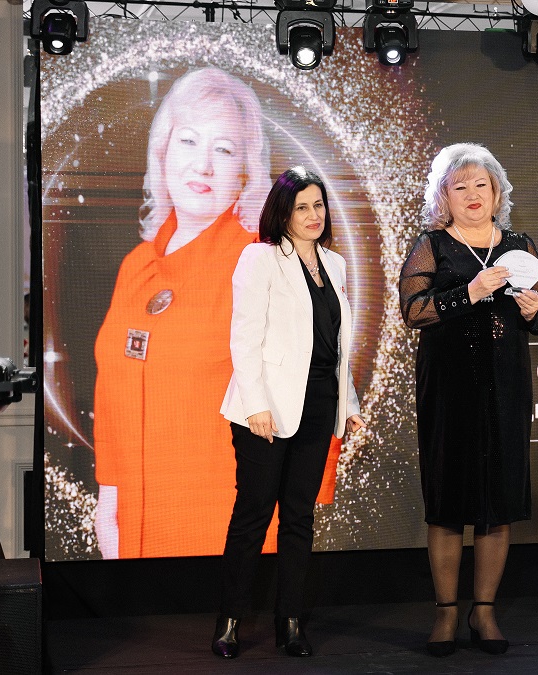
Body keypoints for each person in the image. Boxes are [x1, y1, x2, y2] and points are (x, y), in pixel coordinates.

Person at [92, 67, 275, 559]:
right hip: (134, 516)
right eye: (189, 141)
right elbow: (113, 387)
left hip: (223, 518)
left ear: (245, 170)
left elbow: (309, 384)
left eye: (224, 150)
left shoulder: (260, 263)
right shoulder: (135, 266)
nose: (203, 166)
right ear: (163, 151)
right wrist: (109, 497)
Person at [398, 143, 538, 657]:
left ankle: (484, 612)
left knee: (497, 504)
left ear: (496, 193)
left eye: (480, 185)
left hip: (506, 389)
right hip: (448, 391)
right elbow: (413, 310)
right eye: (459, 186)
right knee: (448, 505)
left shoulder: (518, 245)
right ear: (443, 196)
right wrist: (469, 291)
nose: (472, 194)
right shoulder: (432, 245)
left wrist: (534, 312)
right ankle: (446, 613)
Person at [212, 167, 365, 659]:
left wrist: (349, 404)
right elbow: (244, 337)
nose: (313, 215)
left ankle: (291, 623)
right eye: (302, 207)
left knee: (299, 517)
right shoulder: (260, 258)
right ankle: (230, 622)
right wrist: (256, 404)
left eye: (319, 205)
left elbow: (336, 349)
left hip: (319, 406)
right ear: (283, 213)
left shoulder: (335, 264)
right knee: (253, 515)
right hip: (267, 410)